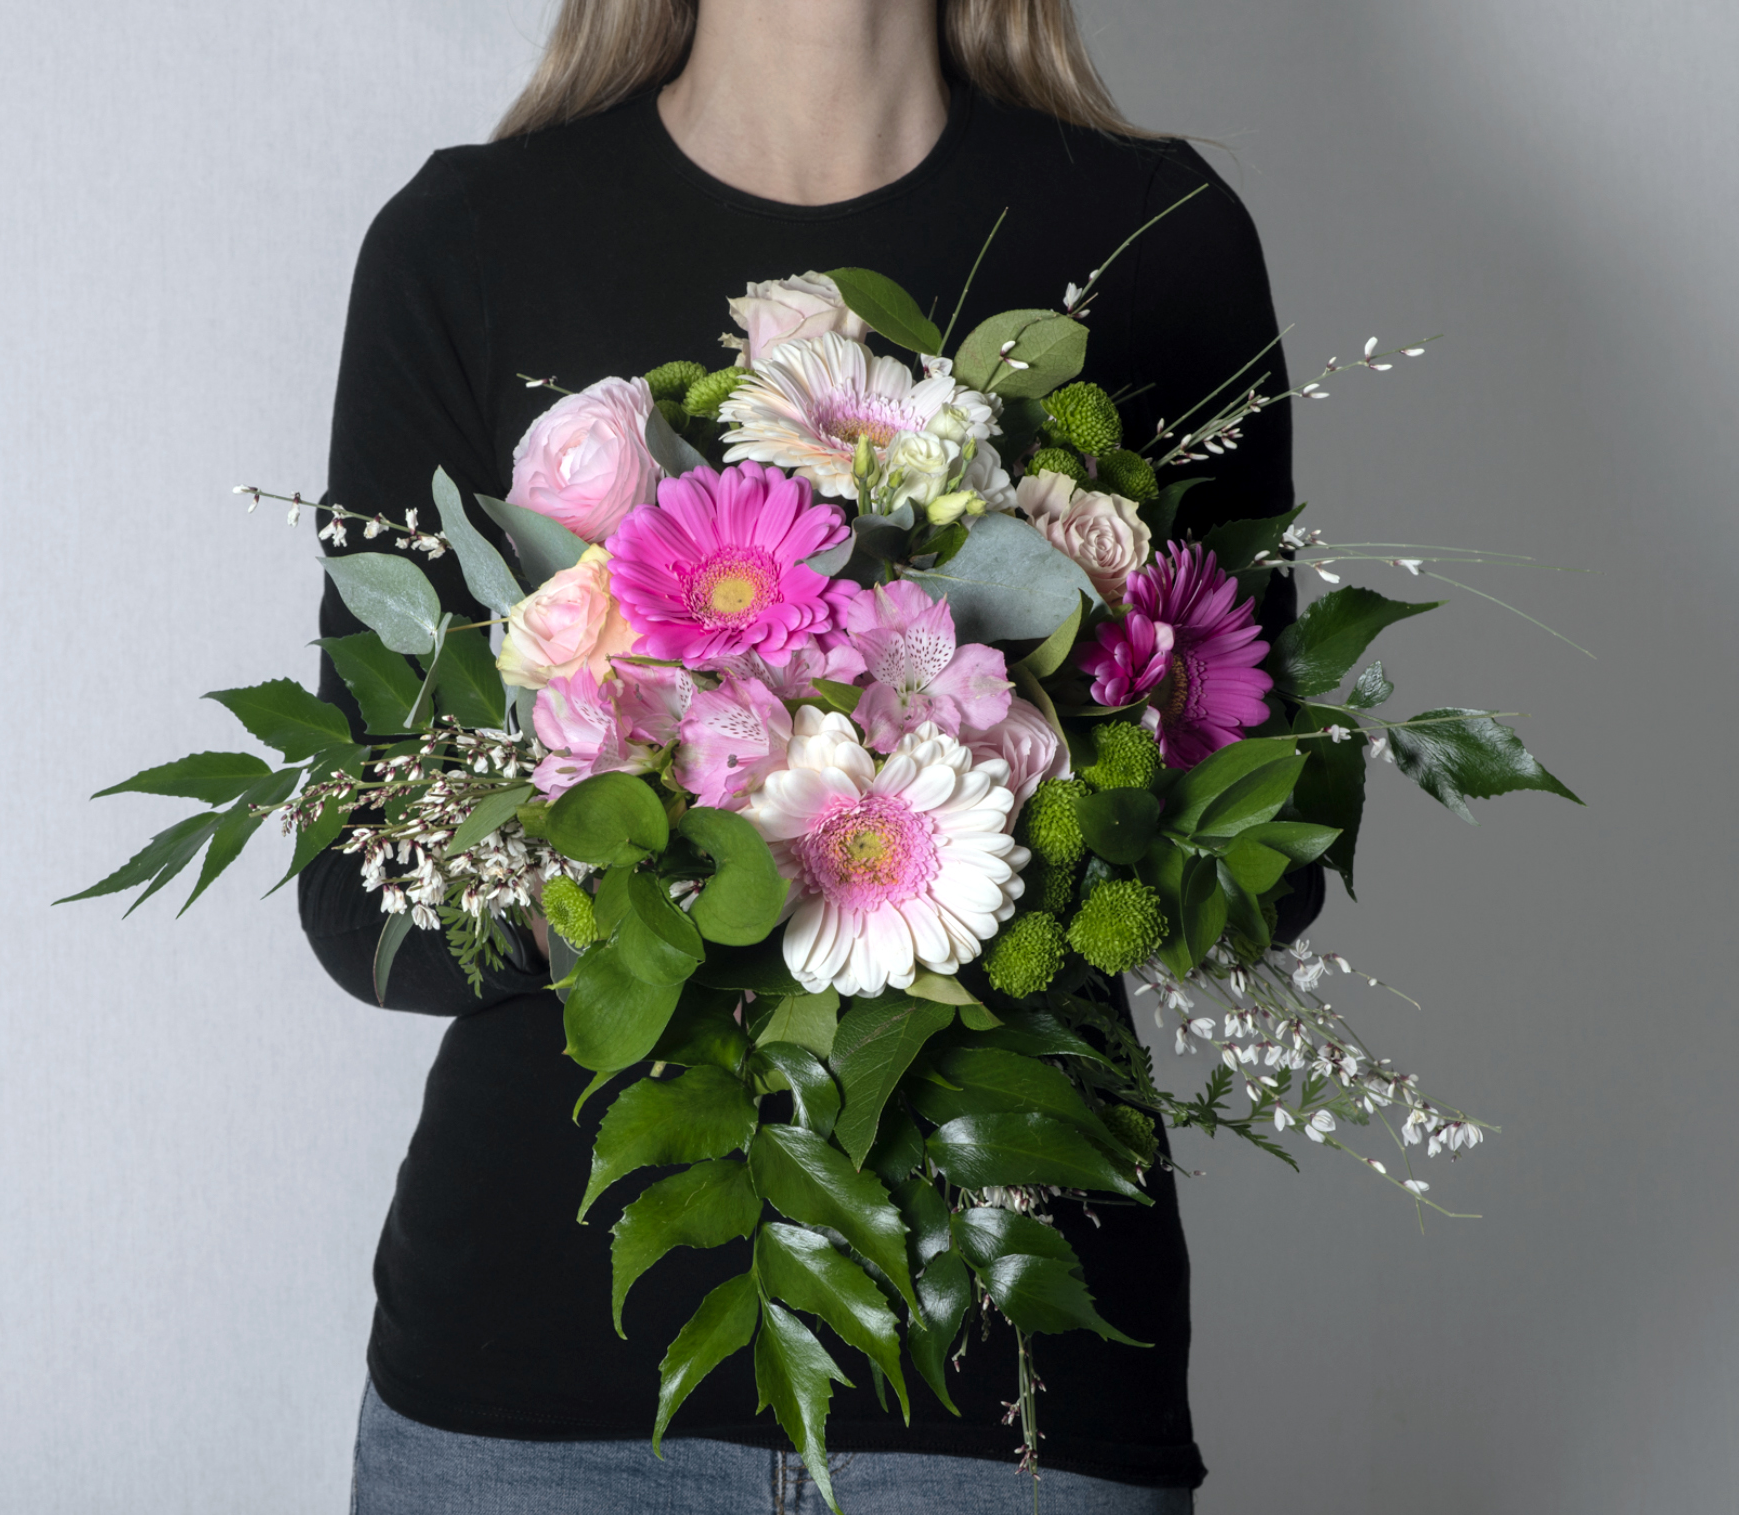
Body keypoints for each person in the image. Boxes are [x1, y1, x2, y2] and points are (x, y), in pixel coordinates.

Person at [302, 2, 1316, 1509]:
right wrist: (662, 838)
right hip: (541, 1397)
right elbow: (354, 895)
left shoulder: (1157, 232)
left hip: (1011, 1396)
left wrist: (979, 793)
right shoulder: (470, 239)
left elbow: (1260, 862)